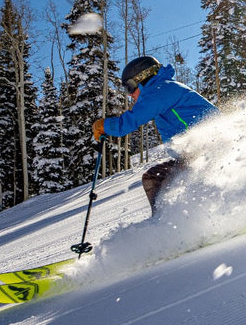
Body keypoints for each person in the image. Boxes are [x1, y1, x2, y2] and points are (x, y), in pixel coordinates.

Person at [92, 55, 217, 214]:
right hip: (197, 152)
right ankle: (175, 221)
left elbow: (131, 120)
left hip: (206, 148)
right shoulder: (163, 89)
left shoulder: (160, 90)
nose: (129, 94)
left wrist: (105, 125)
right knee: (155, 179)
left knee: (155, 179)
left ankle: (168, 222)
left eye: (129, 87)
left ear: (142, 78)